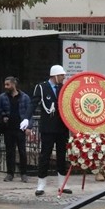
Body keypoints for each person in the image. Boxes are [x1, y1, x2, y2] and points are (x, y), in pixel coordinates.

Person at [33, 65, 71, 196]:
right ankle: (41, 184)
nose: (63, 78)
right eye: (61, 75)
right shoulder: (42, 87)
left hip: (61, 128)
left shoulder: (64, 88)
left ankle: (62, 184)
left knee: (62, 156)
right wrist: (27, 119)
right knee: (45, 156)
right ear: (55, 75)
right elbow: (34, 104)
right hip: (48, 128)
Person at [0, 76, 31, 182]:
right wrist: (3, 116)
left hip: (21, 128)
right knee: (9, 151)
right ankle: (10, 173)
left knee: (22, 151)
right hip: (8, 128)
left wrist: (29, 126)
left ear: (13, 84)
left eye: (8, 84)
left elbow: (29, 113)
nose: (6, 87)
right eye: (5, 85)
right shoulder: (3, 97)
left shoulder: (24, 97)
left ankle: (23, 173)